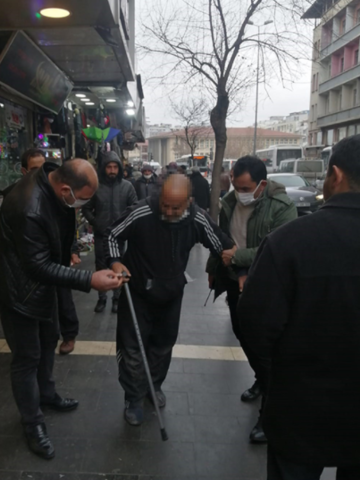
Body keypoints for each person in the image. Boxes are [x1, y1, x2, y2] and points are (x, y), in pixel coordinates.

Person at [238, 135, 360, 479]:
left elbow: (255, 323)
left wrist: (278, 372)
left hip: (300, 409)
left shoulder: (288, 241)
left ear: (335, 175)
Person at [0, 158, 123, 459]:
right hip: (17, 292)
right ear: (66, 190)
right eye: (84, 200)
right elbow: (37, 267)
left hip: (41, 288)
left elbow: (57, 242)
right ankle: (32, 422)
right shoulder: (30, 207)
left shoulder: (52, 184)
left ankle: (47, 395)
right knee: (26, 358)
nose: (85, 206)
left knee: (49, 339)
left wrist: (72, 251)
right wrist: (89, 279)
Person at [107, 175, 234, 426]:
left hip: (171, 293)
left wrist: (232, 260)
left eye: (175, 207)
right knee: (132, 348)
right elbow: (112, 235)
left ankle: (154, 385)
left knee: (163, 344)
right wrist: (115, 261)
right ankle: (133, 396)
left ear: (189, 201)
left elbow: (220, 242)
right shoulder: (142, 211)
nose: (168, 211)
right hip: (138, 291)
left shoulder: (196, 218)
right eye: (165, 204)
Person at [205, 155, 296, 444]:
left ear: (262, 185)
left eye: (245, 188)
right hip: (234, 279)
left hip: (265, 285)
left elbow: (280, 249)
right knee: (242, 333)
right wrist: (212, 268)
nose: (239, 192)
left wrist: (240, 257)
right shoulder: (230, 202)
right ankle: (261, 377)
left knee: (265, 347)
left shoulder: (282, 207)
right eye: (235, 184)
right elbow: (220, 238)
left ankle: (269, 414)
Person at [3, 150, 82, 356]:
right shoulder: (19, 199)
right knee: (29, 355)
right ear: (23, 171)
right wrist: (89, 279)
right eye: (34, 170)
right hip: (28, 275)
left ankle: (69, 334)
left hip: (54, 261)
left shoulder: (56, 195)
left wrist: (72, 250)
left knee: (62, 300)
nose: (40, 174)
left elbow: (66, 228)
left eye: (43, 167)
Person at [81, 151, 138, 314]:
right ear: (103, 168)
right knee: (100, 266)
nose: (112, 170)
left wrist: (125, 225)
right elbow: (86, 208)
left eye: (115, 167)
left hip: (120, 237)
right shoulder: (96, 187)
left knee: (118, 265)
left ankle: (117, 298)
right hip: (101, 235)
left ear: (119, 168)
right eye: (109, 167)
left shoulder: (127, 187)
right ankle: (102, 298)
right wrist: (96, 222)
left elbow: (134, 208)